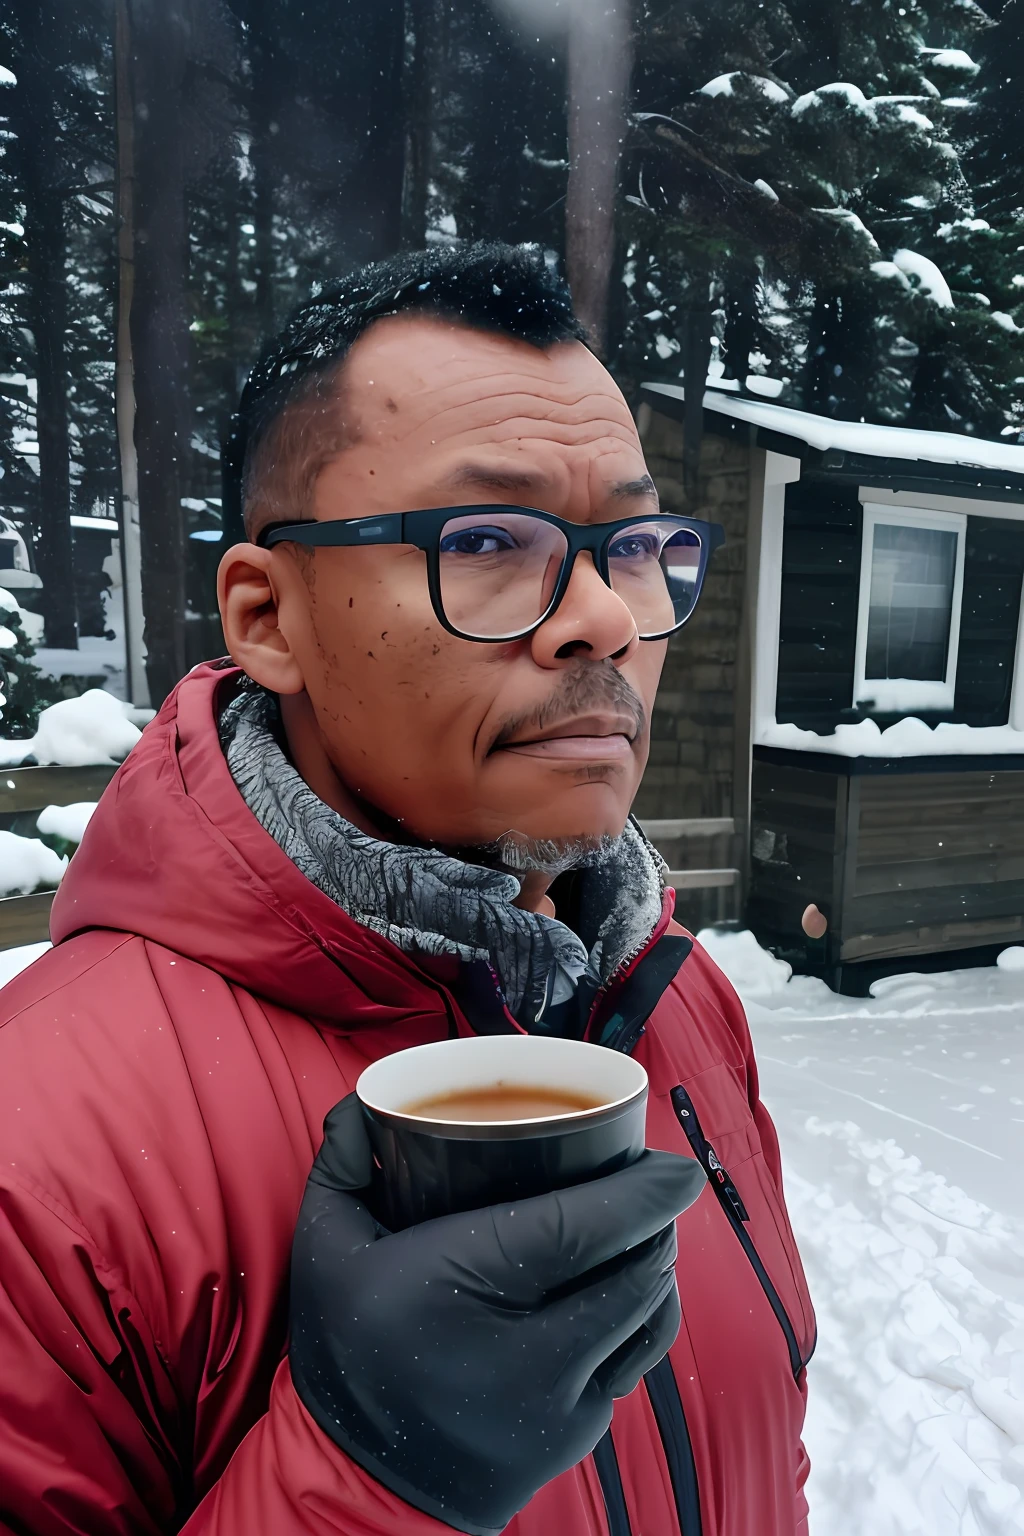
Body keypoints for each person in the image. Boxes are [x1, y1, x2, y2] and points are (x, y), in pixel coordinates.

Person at [0, 241, 814, 1536]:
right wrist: (370, 1473)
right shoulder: (37, 1151)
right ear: (270, 617)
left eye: (640, 542)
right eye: (489, 538)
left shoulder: (679, 996)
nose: (606, 617)